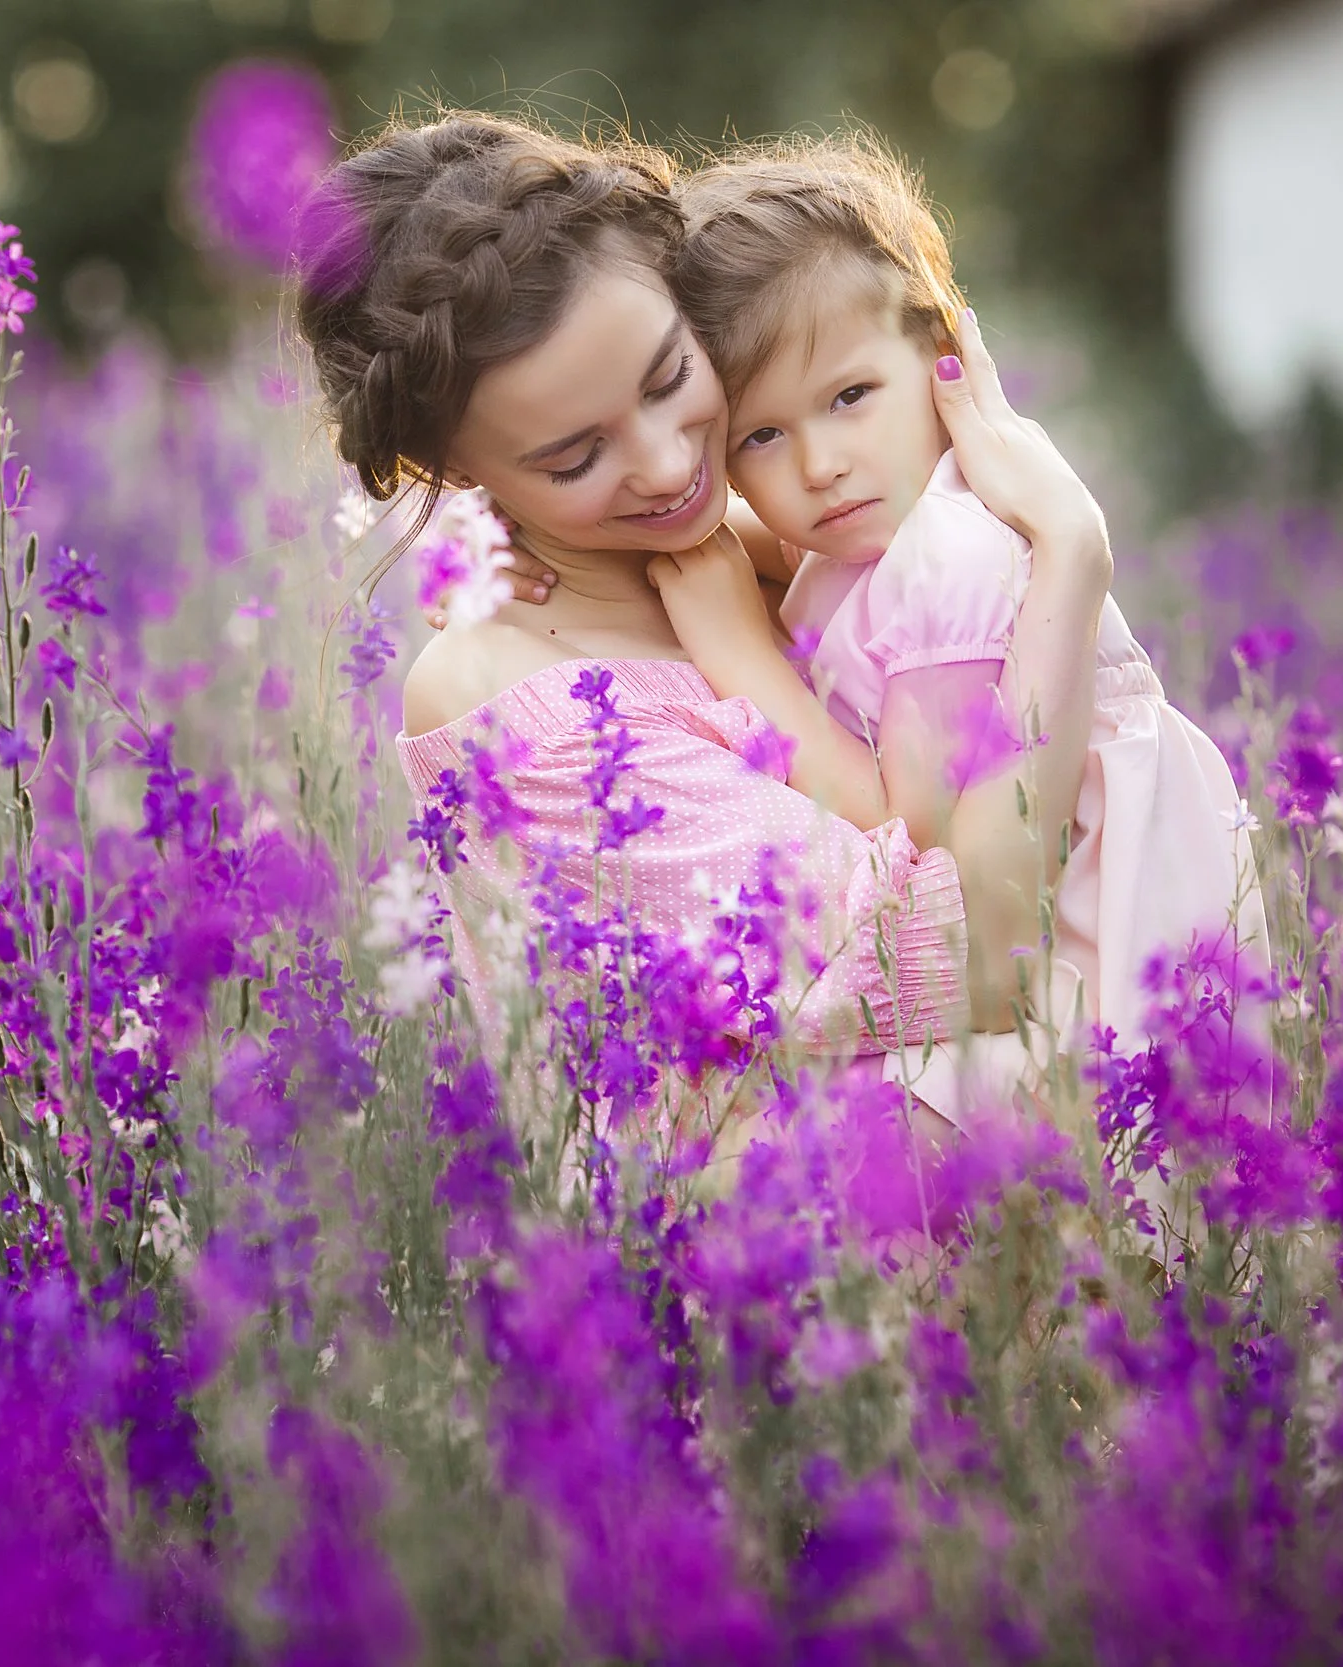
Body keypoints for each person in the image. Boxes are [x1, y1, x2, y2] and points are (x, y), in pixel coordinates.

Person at [294, 114, 1113, 1149]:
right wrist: (1071, 561)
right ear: (455, 469)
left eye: (670, 376)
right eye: (571, 457)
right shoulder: (517, 707)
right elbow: (985, 952)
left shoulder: (764, 534)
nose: (667, 464)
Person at [656, 136, 1269, 1057]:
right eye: (762, 437)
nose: (821, 465)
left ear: (943, 356)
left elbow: (924, 840)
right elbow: (763, 560)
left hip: (1092, 972)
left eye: (851, 395)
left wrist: (744, 656)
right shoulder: (873, 526)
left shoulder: (951, 553)